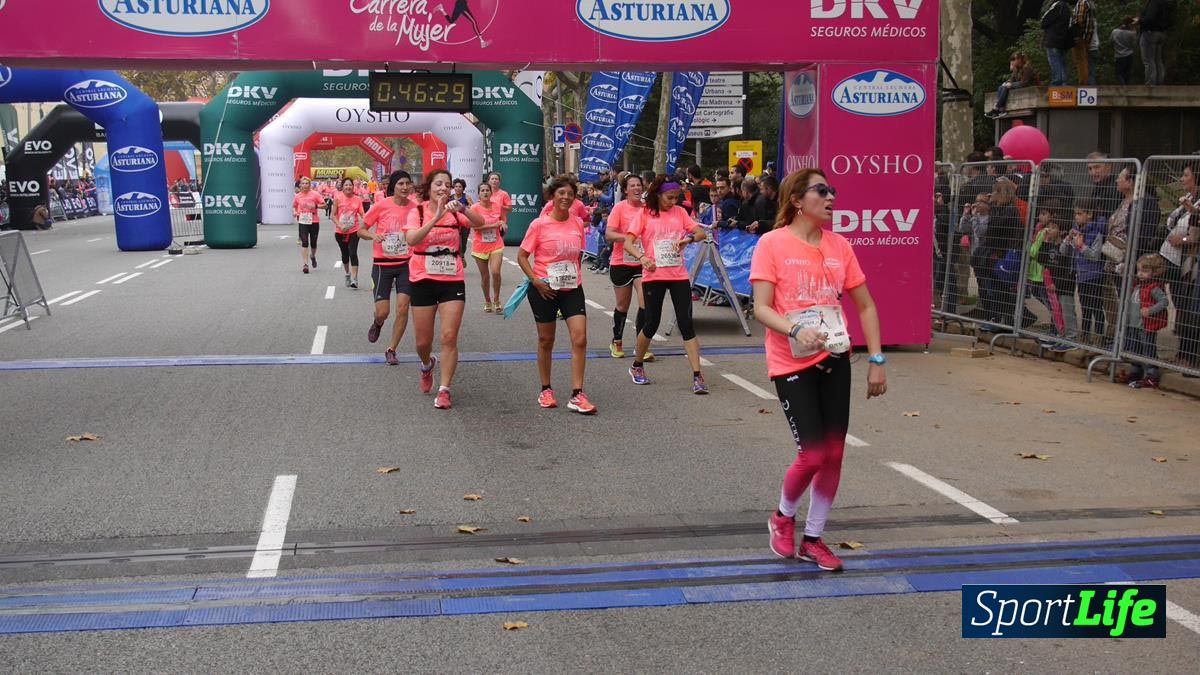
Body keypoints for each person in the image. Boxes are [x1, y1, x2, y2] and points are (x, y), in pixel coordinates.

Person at [752, 169, 887, 571]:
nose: (831, 198)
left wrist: (877, 361)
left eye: (832, 192)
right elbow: (761, 307)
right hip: (791, 361)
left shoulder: (839, 246)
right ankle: (782, 516)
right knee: (812, 454)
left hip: (835, 358)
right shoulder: (771, 244)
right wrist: (796, 328)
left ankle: (813, 537)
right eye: (821, 191)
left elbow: (866, 305)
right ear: (797, 199)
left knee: (834, 454)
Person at [405, 169, 488, 409]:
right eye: (438, 184)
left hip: (451, 277)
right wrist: (436, 216)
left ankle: (444, 389)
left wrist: (462, 209)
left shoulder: (455, 212)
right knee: (423, 342)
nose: (443, 188)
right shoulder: (417, 211)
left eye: (447, 185)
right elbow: (412, 240)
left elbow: (480, 223)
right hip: (422, 278)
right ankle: (427, 363)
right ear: (429, 187)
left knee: (449, 336)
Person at [517, 176, 597, 415]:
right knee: (546, 340)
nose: (565, 197)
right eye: (561, 193)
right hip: (544, 288)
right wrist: (536, 280)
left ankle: (577, 393)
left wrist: (574, 276)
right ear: (552, 197)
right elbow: (522, 256)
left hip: (572, 288)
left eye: (570, 194)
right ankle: (546, 389)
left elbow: (578, 254)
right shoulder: (539, 224)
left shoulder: (576, 223)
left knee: (580, 338)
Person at [624, 176, 710, 394]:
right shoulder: (644, 213)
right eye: (669, 197)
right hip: (654, 275)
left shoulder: (680, 212)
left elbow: (700, 233)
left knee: (686, 323)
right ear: (658, 194)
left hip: (678, 274)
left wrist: (688, 240)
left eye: (676, 198)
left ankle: (697, 376)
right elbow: (628, 243)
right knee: (651, 323)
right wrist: (642, 258)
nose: (673, 202)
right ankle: (637, 365)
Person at [360, 171, 420, 366]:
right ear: (393, 187)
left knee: (402, 309)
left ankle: (391, 349)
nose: (404, 187)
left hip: (406, 264)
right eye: (400, 184)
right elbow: (361, 229)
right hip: (382, 265)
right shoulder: (381, 205)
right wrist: (373, 236)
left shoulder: (416, 208)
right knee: (383, 312)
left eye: (407, 184)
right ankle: (378, 322)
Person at [605, 173, 653, 361]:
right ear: (625, 190)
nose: (636, 188)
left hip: (642, 262)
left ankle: (641, 345)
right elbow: (609, 234)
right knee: (622, 305)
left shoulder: (648, 209)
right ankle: (616, 340)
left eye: (639, 185)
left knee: (645, 302)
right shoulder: (619, 209)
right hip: (621, 262)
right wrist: (629, 240)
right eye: (632, 185)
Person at [1159, 163, 1200, 368]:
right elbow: (1172, 222)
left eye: (1185, 175)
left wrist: (1183, 240)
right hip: (1174, 260)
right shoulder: (1188, 200)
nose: (1182, 179)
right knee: (1180, 307)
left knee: (1188, 309)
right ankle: (1182, 352)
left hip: (1190, 264)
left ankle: (1190, 356)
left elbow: (1194, 235)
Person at [1035, 214, 1081, 351]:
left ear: (1062, 231)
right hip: (1052, 284)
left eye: (1053, 227)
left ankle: (1071, 338)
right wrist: (1046, 241)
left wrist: (1057, 284)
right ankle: (1062, 336)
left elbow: (1067, 269)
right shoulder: (1051, 245)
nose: (1049, 229)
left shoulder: (1066, 247)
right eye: (1048, 226)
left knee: (1067, 310)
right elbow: (1041, 260)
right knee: (1057, 311)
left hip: (1064, 284)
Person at [1124, 253, 1170, 388]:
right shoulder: (1138, 285)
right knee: (1135, 348)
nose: (1140, 274)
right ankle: (1136, 372)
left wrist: (1150, 310)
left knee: (1148, 349)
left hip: (1146, 325)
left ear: (1154, 272)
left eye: (1144, 271)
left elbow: (1164, 301)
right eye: (1139, 270)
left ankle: (1152, 374)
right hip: (1134, 324)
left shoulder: (1154, 288)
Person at [1068, 198, 1107, 345]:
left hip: (1094, 275)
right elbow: (1067, 251)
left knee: (1096, 306)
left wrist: (1081, 246)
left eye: (1079, 213)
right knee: (1085, 307)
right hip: (1081, 275)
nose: (1076, 217)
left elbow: (1095, 256)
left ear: (1089, 214)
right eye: (1075, 214)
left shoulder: (1096, 233)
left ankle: (1099, 337)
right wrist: (1068, 240)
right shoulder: (1077, 231)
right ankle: (1084, 336)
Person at [469, 181, 506, 313]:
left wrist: (503, 225)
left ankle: (496, 299)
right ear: (479, 194)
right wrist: (492, 226)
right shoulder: (474, 208)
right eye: (482, 190)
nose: (485, 192)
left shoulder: (497, 206)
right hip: (480, 246)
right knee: (485, 276)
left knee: (496, 272)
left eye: (487, 190)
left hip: (496, 244)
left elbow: (502, 220)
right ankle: (487, 300)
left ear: (491, 192)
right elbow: (474, 227)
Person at [332, 177, 365, 288]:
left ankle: (354, 279)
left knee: (353, 253)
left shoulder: (357, 199)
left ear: (353, 186)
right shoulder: (337, 198)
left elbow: (362, 214)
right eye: (346, 185)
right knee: (345, 255)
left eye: (350, 185)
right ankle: (347, 274)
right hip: (340, 231)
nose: (348, 187)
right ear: (342, 187)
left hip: (354, 230)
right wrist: (340, 225)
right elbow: (333, 215)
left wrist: (366, 220)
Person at [986, 52, 1038, 118]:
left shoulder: (1027, 68)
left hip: (1028, 88)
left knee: (1005, 87)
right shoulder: (1016, 69)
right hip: (1019, 86)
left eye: (1014, 59)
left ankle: (997, 109)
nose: (1012, 61)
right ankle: (1000, 110)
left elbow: (1024, 83)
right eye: (1012, 59)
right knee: (1001, 87)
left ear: (1019, 60)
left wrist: (1011, 85)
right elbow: (1011, 79)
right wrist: (1007, 82)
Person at [293, 176, 324, 274]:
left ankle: (313, 256)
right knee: (305, 242)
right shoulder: (298, 196)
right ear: (300, 185)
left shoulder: (315, 194)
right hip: (303, 221)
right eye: (303, 183)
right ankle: (305, 264)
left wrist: (315, 206)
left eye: (307, 183)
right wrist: (294, 212)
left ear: (309, 185)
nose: (305, 185)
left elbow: (324, 205)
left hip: (314, 221)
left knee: (313, 243)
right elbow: (294, 206)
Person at [1041, 0, 1074, 86]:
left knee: (1054, 61)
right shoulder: (1067, 8)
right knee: (1062, 61)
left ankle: (1056, 82)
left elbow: (1044, 20)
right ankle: (1064, 83)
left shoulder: (1056, 5)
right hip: (1063, 40)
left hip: (1053, 39)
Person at [1138, 0, 1171, 85]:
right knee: (1157, 60)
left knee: (1148, 60)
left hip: (1150, 32)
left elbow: (1150, 18)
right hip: (1161, 33)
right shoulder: (1165, 3)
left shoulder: (1154, 2)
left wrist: (1139, 21)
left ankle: (1151, 83)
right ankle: (1159, 81)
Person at [1070, 0, 1098, 86]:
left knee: (1081, 62)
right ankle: (1088, 86)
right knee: (1087, 65)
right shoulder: (1091, 4)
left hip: (1081, 39)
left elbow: (1078, 21)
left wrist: (1076, 36)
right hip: (1089, 40)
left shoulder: (1082, 2)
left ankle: (1083, 85)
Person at [1112, 16, 1138, 85]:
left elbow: (1111, 41)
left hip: (1119, 55)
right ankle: (1127, 87)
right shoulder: (1132, 33)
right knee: (1127, 73)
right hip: (1129, 55)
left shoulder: (1115, 31)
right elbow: (1134, 45)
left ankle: (1123, 86)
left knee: (1118, 73)